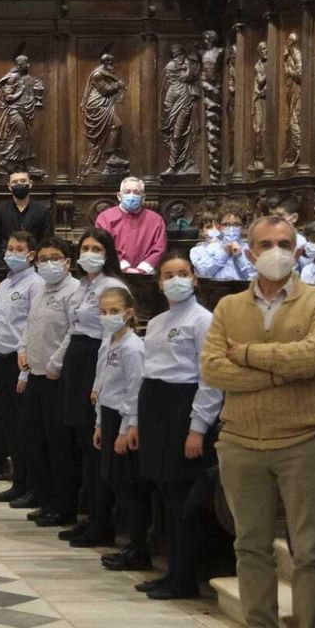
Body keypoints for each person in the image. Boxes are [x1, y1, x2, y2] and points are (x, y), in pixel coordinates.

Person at [201, 214, 315, 628]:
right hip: (241, 440)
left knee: (309, 550)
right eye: (266, 243)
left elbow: (314, 356)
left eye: (284, 242)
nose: (275, 251)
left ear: (297, 250)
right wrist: (282, 371)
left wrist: (247, 355)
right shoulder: (228, 307)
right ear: (250, 251)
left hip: (304, 438)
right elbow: (213, 369)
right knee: (250, 545)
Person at [136, 253, 223, 601]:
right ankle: (171, 572)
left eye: (183, 273)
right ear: (159, 283)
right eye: (169, 275)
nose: (176, 280)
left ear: (194, 279)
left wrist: (197, 427)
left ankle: (185, 577)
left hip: (183, 406)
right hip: (156, 404)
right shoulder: (158, 321)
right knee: (165, 494)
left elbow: (209, 378)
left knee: (183, 498)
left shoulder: (203, 320)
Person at [53, 228, 130, 548]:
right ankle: (90, 515)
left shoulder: (113, 286)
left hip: (95, 359)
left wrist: (99, 380)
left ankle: (104, 522)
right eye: (84, 248)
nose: (89, 254)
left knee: (95, 445)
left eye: (96, 248)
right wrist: (58, 361)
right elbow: (74, 327)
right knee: (82, 445)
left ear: (107, 253)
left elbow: (112, 338)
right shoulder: (83, 285)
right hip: (77, 357)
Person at [22, 236, 81, 527]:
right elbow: (30, 325)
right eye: (43, 259)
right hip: (35, 373)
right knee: (35, 439)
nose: (48, 264)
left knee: (60, 445)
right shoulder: (40, 289)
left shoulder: (75, 291)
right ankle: (45, 498)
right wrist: (22, 349)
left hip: (57, 377)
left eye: (54, 258)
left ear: (67, 262)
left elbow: (73, 331)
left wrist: (56, 362)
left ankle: (63, 505)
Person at [92, 286, 150, 571]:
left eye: (114, 311)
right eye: (103, 312)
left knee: (129, 487)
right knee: (114, 481)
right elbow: (103, 384)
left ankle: (139, 549)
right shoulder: (108, 342)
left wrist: (126, 429)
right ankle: (132, 546)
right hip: (109, 415)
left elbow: (135, 389)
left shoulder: (132, 347)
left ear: (128, 313)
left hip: (124, 418)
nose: (108, 316)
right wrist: (99, 423)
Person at [0, 231, 43, 504]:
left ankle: (34, 484)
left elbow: (33, 327)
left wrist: (25, 371)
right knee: (9, 425)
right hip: (1, 359)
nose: (12, 253)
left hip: (21, 362)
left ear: (30, 255)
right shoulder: (4, 284)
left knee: (25, 428)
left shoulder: (36, 284)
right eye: (10, 248)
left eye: (19, 249)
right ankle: (18, 481)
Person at [95, 176, 167, 274]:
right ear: (119, 196)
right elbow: (103, 245)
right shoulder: (105, 218)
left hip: (146, 275)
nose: (132, 196)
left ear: (143, 197)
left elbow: (159, 247)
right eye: (127, 192)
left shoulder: (156, 220)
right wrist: (123, 267)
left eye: (136, 192)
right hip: (113, 272)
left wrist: (142, 269)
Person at [0, 170, 54, 266]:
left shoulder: (42, 211)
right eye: (15, 182)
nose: (19, 184)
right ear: (9, 186)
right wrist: (3, 264)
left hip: (34, 265)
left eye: (23, 181)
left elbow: (47, 242)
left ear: (30, 184)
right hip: (5, 265)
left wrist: (34, 262)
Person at [193, 211, 255, 281]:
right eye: (226, 224)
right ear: (218, 226)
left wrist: (239, 257)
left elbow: (255, 277)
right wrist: (224, 253)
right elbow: (203, 274)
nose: (231, 229)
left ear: (243, 227)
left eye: (236, 224)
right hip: (215, 287)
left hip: (243, 287)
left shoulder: (250, 249)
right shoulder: (209, 248)